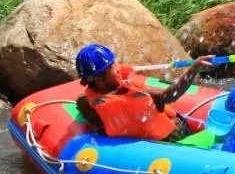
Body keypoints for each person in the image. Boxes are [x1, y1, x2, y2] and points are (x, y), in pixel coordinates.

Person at [74, 44, 213, 142]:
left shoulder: (131, 88)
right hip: (153, 145)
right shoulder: (86, 102)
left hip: (175, 135)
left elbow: (171, 95)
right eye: (112, 66)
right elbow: (101, 125)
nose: (118, 68)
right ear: (98, 79)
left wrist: (193, 70)